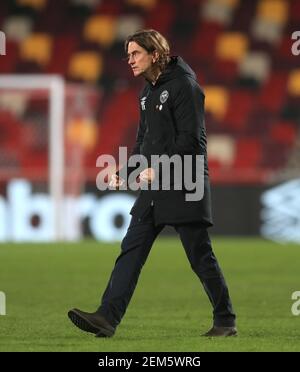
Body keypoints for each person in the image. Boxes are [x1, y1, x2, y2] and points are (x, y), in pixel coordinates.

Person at [68, 29, 237, 337]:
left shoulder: (185, 86)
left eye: (135, 53)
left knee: (200, 257)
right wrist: (126, 171)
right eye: (128, 54)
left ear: (155, 54)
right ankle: (107, 317)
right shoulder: (147, 93)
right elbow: (143, 143)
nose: (129, 60)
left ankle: (225, 320)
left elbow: (193, 141)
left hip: (186, 183)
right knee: (131, 250)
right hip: (156, 187)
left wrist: (159, 168)